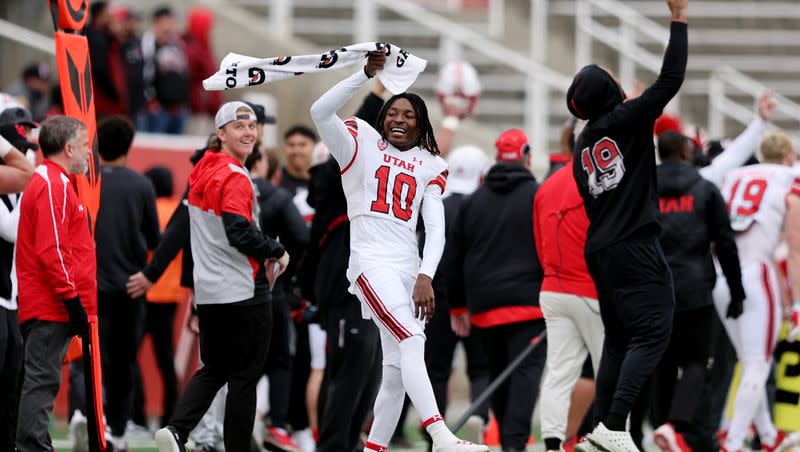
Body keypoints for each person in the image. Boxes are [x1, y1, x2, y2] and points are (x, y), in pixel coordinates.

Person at [310, 50, 486, 452]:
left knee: (393, 372)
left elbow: (436, 228)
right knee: (411, 340)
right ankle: (440, 435)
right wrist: (363, 75)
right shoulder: (360, 143)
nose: (399, 119)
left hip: (408, 268)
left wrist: (426, 274)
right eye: (393, 112)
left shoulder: (429, 163)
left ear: (421, 123)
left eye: (409, 115)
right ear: (382, 117)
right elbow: (321, 111)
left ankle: (374, 449)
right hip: (371, 264)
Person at [567, 0, 688, 449]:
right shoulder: (626, 119)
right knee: (655, 327)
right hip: (633, 242)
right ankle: (614, 425)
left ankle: (602, 427)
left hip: (600, 248)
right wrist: (679, 20)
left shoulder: (583, 141)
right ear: (610, 94)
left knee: (619, 338)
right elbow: (671, 81)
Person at [154, 101, 289, 452]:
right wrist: (276, 250)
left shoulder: (203, 168)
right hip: (244, 292)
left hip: (210, 294)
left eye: (251, 126)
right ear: (221, 133)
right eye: (239, 126)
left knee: (214, 369)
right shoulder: (233, 175)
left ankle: (177, 429)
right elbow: (238, 232)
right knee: (243, 379)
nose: (248, 131)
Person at [445, 130, 545, 452]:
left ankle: (505, 439)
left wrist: (458, 308)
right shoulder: (539, 196)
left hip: (485, 310)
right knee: (524, 377)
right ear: (527, 156)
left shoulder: (473, 201)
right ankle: (513, 444)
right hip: (530, 307)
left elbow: (453, 258)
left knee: (497, 374)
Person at [650, 131, 745, 452]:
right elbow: (727, 244)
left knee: (660, 361)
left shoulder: (644, 188)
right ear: (684, 151)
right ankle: (676, 426)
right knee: (695, 361)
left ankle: (661, 424)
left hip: (654, 288)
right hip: (695, 288)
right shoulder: (705, 189)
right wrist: (736, 291)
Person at [715, 130, 800, 452]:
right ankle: (734, 443)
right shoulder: (789, 177)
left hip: (721, 275)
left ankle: (767, 436)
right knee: (757, 364)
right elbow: (795, 249)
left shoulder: (736, 175)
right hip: (755, 273)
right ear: (789, 155)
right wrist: (798, 303)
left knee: (749, 360)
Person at [15, 116, 94, 452]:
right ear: (68, 147)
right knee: (42, 381)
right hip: (50, 304)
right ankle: (32, 445)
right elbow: (54, 250)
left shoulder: (55, 181)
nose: (89, 153)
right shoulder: (52, 182)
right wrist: (72, 300)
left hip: (52, 303)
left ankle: (34, 443)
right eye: (86, 145)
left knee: (43, 380)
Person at [93, 116, 160, 449]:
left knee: (88, 362)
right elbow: (153, 238)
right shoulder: (141, 186)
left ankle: (89, 419)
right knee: (123, 364)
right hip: (130, 289)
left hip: (89, 288)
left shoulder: (86, 183)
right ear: (129, 146)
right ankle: (117, 432)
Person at [534, 156, 603, 452]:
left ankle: (552, 443)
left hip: (553, 287)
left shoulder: (546, 186)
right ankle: (610, 438)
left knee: (559, 373)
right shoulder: (600, 178)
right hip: (590, 288)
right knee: (609, 371)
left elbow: (539, 242)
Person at [424, 145, 491, 446]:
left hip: (437, 298)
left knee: (436, 370)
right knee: (481, 368)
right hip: (477, 298)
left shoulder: (437, 205)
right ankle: (480, 416)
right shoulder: (484, 206)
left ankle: (434, 435)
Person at [0, 115, 38, 451]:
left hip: (13, 299)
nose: (27, 158)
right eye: (20, 150)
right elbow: (11, 229)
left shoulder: (16, 190)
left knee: (14, 381)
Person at [141, 6, 190, 134]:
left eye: (171, 22)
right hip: (158, 109)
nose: (169, 26)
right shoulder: (146, 44)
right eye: (165, 22)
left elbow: (183, 72)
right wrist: (151, 101)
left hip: (178, 108)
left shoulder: (177, 45)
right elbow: (144, 75)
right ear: (156, 23)